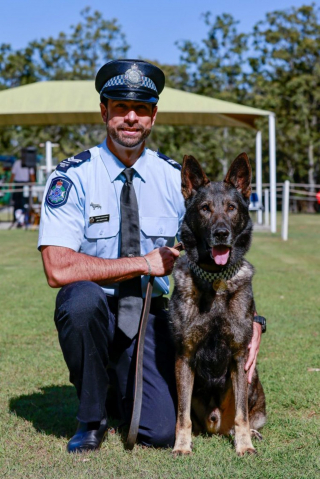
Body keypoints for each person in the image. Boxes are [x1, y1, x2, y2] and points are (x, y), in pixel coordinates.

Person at [38, 59, 263, 453]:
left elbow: (219, 246)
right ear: (103, 111)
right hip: (95, 309)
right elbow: (57, 267)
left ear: (153, 116)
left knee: (158, 433)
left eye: (141, 109)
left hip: (150, 314)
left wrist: (254, 319)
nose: (130, 117)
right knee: (81, 302)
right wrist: (143, 263)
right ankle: (90, 419)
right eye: (120, 107)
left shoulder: (173, 178)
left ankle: (118, 390)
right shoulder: (72, 177)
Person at [10, 156, 35, 226]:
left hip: (24, 185)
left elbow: (13, 175)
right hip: (21, 185)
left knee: (22, 204)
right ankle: (19, 220)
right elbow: (13, 174)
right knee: (19, 204)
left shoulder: (27, 164)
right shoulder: (18, 163)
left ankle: (24, 220)